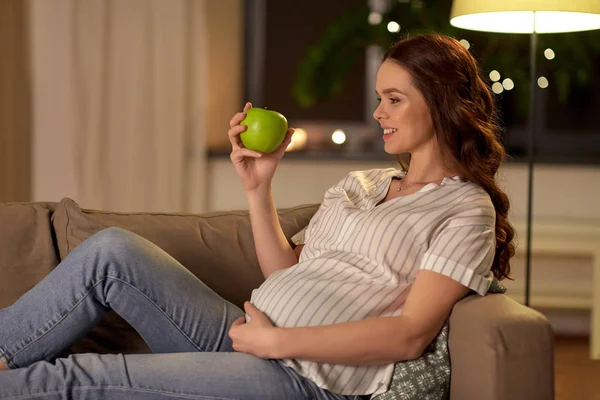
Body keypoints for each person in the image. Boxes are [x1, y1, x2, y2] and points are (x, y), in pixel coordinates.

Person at [0, 33, 514, 399]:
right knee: (112, 250)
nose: (378, 112)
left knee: (75, 378)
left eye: (394, 99)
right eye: (380, 98)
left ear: (443, 103)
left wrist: (275, 343)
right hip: (245, 335)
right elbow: (285, 272)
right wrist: (258, 185)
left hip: (306, 378)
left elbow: (409, 333)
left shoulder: (464, 208)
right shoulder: (366, 183)